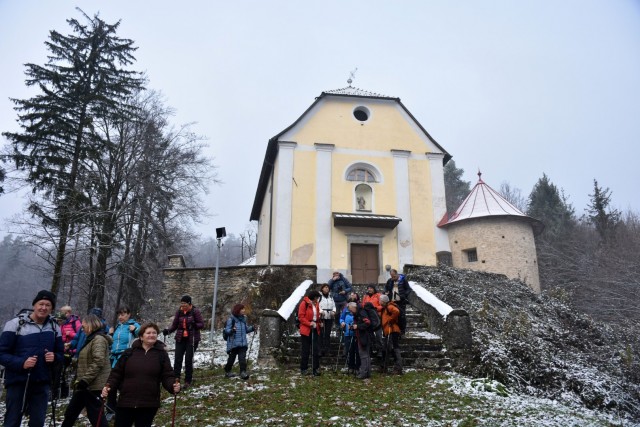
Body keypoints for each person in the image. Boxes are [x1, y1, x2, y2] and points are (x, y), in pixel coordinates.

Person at [0, 289, 64, 427]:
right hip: (18, 381)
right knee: (12, 421)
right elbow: (2, 354)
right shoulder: (15, 324)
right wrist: (21, 363)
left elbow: (60, 354)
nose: (44, 308)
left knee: (38, 422)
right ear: (34, 305)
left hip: (42, 382)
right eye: (41, 304)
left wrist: (55, 357)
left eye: (48, 305)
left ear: (52, 308)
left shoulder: (55, 327)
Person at [102, 322, 180, 427]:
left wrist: (172, 386)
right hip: (126, 401)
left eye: (154, 333)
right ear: (141, 337)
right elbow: (116, 374)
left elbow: (167, 375)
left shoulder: (161, 355)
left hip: (148, 403)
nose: (152, 335)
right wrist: (108, 386)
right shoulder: (129, 353)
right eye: (148, 333)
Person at [61, 314, 112, 427]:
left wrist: (85, 380)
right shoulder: (91, 339)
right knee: (71, 413)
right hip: (85, 384)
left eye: (83, 326)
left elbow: (98, 361)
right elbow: (87, 359)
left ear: (90, 325)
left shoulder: (98, 340)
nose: (82, 329)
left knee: (95, 416)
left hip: (93, 385)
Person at [163, 295, 204, 388]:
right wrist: (168, 331)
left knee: (188, 360)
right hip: (180, 338)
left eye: (184, 304)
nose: (182, 306)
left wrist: (194, 325)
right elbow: (175, 325)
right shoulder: (179, 312)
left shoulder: (195, 311)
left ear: (189, 303)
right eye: (181, 303)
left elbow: (201, 324)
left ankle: (187, 381)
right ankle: (176, 379)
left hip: (192, 338)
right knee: (178, 358)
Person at [107, 306, 140, 418]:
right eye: (119, 314)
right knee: (111, 383)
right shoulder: (117, 327)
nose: (120, 317)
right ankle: (111, 409)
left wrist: (135, 330)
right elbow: (111, 342)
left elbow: (143, 335)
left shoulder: (134, 325)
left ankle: (129, 407)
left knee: (124, 384)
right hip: (114, 358)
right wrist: (110, 334)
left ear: (129, 314)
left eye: (123, 314)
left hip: (126, 357)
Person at [223, 304, 256, 380]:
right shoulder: (231, 319)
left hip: (242, 343)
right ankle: (227, 371)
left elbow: (246, 330)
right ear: (238, 310)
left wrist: (253, 328)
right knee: (231, 359)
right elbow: (226, 330)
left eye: (244, 309)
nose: (244, 310)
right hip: (233, 344)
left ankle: (243, 372)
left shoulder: (243, 319)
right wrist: (232, 330)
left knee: (242, 358)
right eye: (242, 309)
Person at [298, 290, 322, 376]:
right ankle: (304, 368)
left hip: (315, 328)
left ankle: (315, 368)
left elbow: (316, 316)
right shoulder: (304, 303)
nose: (318, 299)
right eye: (317, 298)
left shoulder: (316, 304)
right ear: (314, 297)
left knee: (315, 349)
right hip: (306, 329)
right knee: (306, 350)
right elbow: (301, 317)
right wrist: (309, 323)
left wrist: (319, 322)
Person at [347, 301, 372, 379]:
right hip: (362, 336)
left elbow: (367, 323)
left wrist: (357, 326)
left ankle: (364, 373)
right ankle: (367, 373)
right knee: (366, 355)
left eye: (351, 310)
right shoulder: (358, 313)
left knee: (363, 355)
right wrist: (353, 327)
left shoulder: (361, 312)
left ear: (354, 307)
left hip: (364, 336)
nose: (351, 312)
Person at [380, 294, 403, 375]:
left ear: (383, 301)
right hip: (388, 331)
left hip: (392, 330)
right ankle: (386, 367)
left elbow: (396, 311)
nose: (379, 301)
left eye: (380, 300)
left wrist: (390, 319)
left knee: (394, 348)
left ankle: (398, 368)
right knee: (387, 349)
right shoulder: (385, 308)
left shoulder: (389, 307)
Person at [384, 269, 411, 334]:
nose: (393, 278)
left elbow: (408, 289)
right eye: (391, 276)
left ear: (397, 274)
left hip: (401, 301)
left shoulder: (403, 280)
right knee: (394, 316)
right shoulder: (390, 281)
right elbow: (386, 288)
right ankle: (396, 330)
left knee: (402, 316)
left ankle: (402, 330)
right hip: (392, 302)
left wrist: (404, 295)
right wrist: (385, 292)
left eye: (394, 276)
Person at [339, 296, 360, 374]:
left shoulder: (358, 312)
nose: (350, 310)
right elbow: (341, 318)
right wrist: (342, 322)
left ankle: (357, 367)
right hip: (348, 333)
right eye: (349, 308)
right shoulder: (345, 310)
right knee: (349, 350)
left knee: (357, 351)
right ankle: (350, 366)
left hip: (356, 334)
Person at [362, 285, 383, 355]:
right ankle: (371, 349)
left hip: (377, 317)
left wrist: (375, 308)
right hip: (368, 317)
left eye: (371, 288)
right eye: (368, 288)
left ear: (374, 289)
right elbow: (363, 305)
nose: (369, 290)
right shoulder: (365, 297)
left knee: (378, 335)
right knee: (370, 335)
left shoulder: (378, 295)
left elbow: (382, 305)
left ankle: (380, 350)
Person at [318, 284, 336, 357]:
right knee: (321, 333)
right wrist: (321, 311)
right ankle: (320, 350)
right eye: (325, 287)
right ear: (322, 289)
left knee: (327, 334)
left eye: (327, 287)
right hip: (322, 316)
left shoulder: (331, 297)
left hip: (329, 317)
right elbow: (317, 305)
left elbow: (334, 306)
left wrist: (334, 311)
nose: (326, 289)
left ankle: (327, 350)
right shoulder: (319, 297)